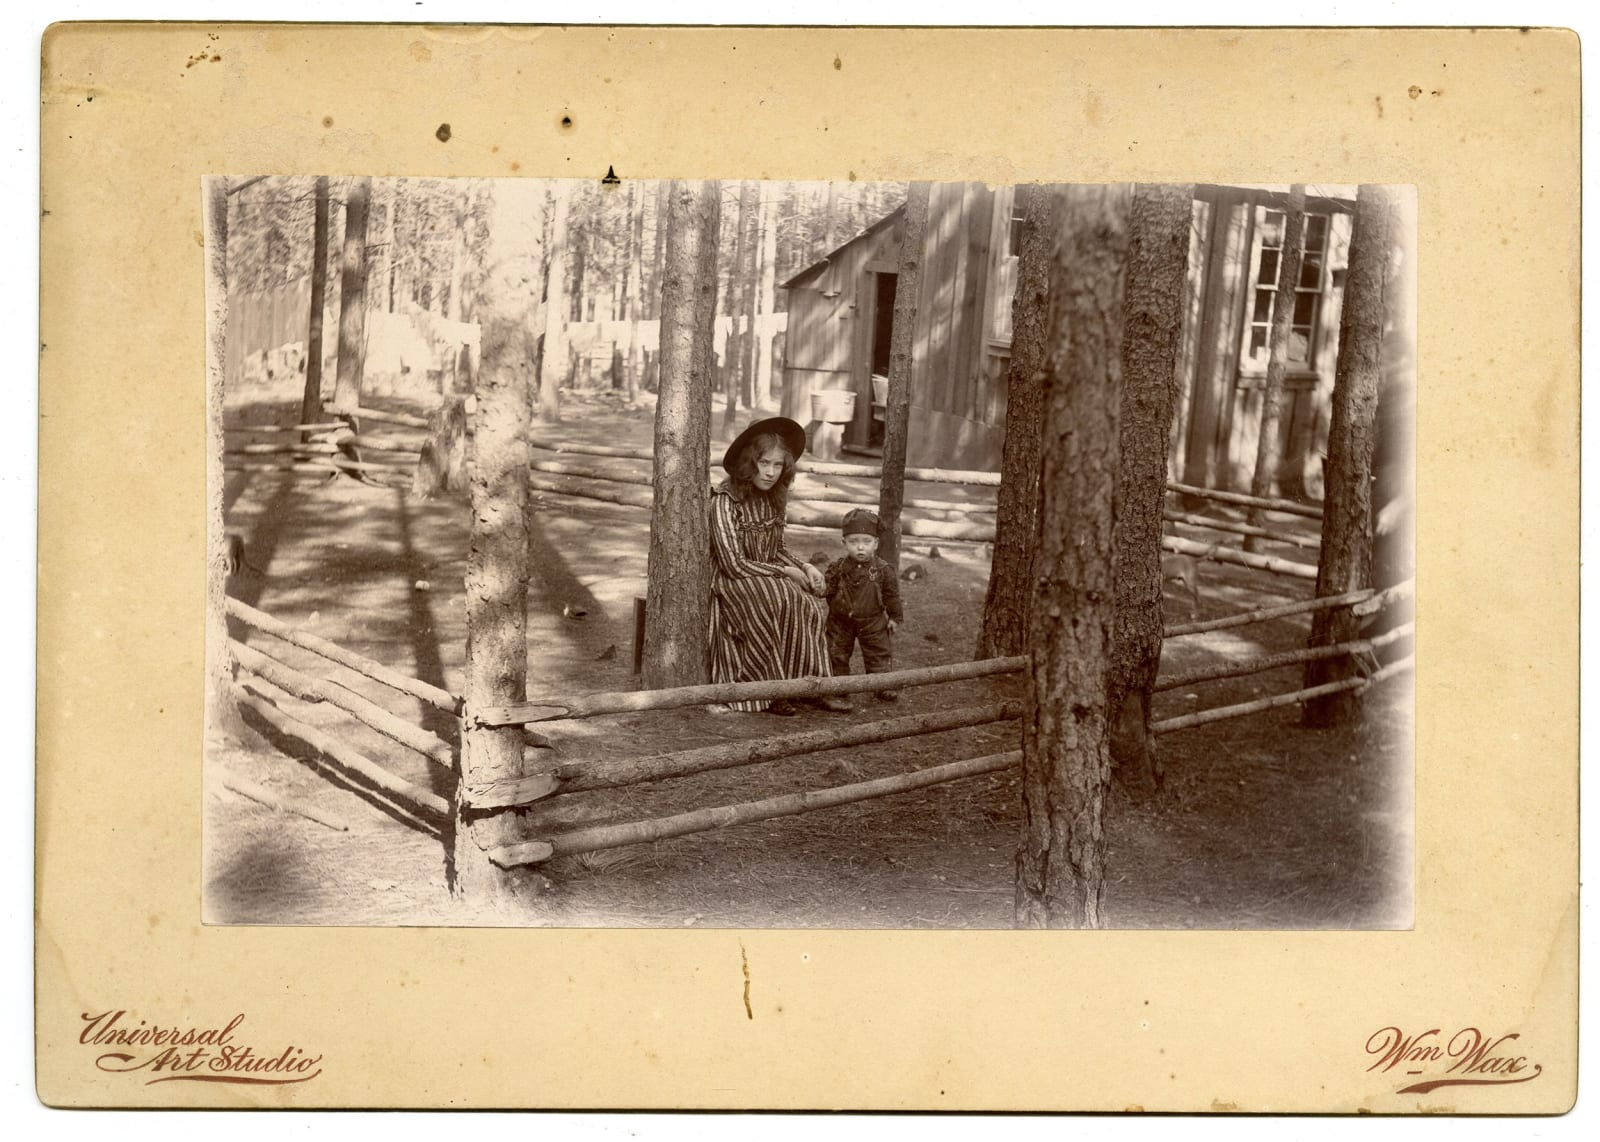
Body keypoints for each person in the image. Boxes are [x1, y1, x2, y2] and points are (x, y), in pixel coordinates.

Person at [708, 417, 849, 715]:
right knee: (773, 598)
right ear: (748, 462)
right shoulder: (725, 501)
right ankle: (767, 691)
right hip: (733, 579)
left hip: (766, 574)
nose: (770, 473)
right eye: (764, 463)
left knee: (808, 604)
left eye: (777, 465)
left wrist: (806, 567)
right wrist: (786, 572)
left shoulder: (773, 499)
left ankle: (811, 686)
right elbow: (733, 564)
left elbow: (778, 548)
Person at [822, 508, 904, 709]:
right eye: (853, 542)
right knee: (836, 654)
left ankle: (881, 685)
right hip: (840, 622)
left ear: (876, 543)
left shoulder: (884, 570)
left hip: (873, 621)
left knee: (878, 653)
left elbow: (892, 596)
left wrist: (894, 617)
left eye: (866, 542)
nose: (860, 548)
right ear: (844, 543)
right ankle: (838, 689)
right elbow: (827, 589)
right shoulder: (837, 568)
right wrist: (824, 594)